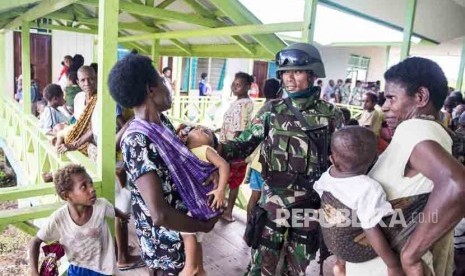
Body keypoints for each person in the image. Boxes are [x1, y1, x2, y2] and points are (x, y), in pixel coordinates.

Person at [219, 43, 343, 275]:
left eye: (297, 71)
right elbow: (242, 145)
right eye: (285, 72)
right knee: (261, 266)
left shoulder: (331, 115)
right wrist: (213, 146)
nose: (289, 78)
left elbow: (343, 163)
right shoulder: (271, 110)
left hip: (310, 204)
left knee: (296, 269)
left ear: (312, 73)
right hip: (273, 202)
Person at [346, 57, 465, 275]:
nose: (385, 107)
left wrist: (410, 255)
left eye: (391, 98)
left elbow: (458, 184)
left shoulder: (415, 129)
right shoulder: (430, 131)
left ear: (420, 97)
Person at [108, 54, 218, 275]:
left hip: (185, 237)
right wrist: (203, 226)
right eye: (164, 81)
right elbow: (159, 215)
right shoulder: (137, 140)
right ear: (151, 89)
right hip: (166, 252)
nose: (169, 87)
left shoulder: (163, 124)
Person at [314, 126, 404, 276]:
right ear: (375, 158)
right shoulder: (368, 188)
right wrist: (392, 264)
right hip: (354, 250)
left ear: (332, 160)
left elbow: (320, 192)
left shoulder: (328, 174)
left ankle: (340, 266)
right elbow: (371, 229)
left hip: (331, 240)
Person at [29, 164, 129, 276]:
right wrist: (34, 271)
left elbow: (113, 210)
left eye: (91, 183)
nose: (92, 189)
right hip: (78, 269)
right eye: (83, 186)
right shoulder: (59, 218)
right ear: (67, 195)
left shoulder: (101, 205)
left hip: (105, 269)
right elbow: (35, 242)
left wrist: (123, 216)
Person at [176, 124, 229, 276]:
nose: (200, 129)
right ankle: (200, 269)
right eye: (196, 128)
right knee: (197, 238)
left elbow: (223, 164)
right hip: (197, 202)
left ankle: (190, 267)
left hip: (200, 202)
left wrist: (220, 190)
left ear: (210, 144)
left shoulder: (206, 150)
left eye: (206, 132)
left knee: (187, 232)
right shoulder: (186, 150)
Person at [220, 71, 254, 222]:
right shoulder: (239, 102)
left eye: (238, 85)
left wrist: (230, 150)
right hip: (233, 148)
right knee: (230, 181)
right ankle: (224, 209)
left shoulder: (243, 104)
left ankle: (227, 211)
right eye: (234, 84)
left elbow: (239, 129)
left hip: (233, 150)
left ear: (248, 87)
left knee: (231, 180)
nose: (234, 87)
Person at [56, 66, 98, 155]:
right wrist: (67, 125)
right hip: (79, 138)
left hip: (94, 141)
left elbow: (94, 129)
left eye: (91, 79)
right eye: (83, 80)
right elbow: (76, 120)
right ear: (78, 83)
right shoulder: (78, 97)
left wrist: (74, 145)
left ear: (96, 79)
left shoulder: (101, 100)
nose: (87, 83)